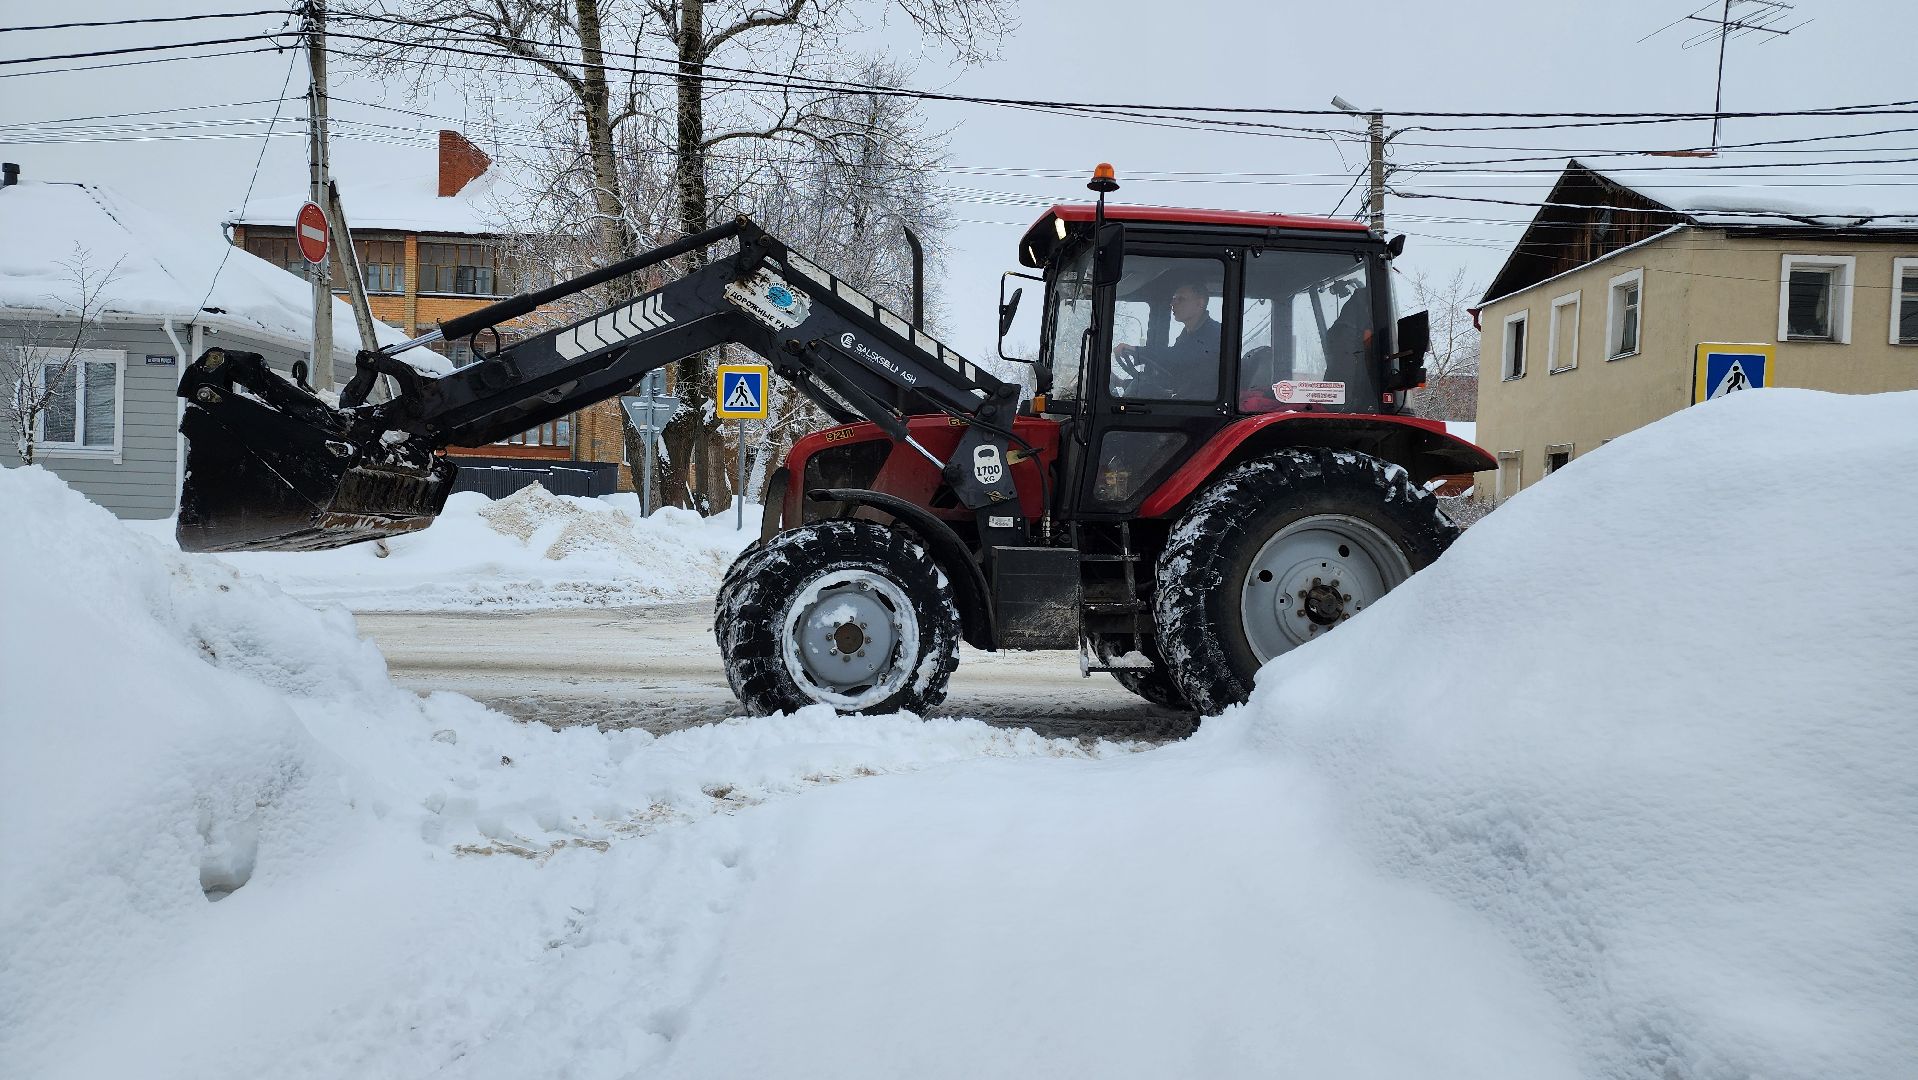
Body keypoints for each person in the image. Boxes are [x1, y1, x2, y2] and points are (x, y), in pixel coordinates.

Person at [1113, 279, 1220, 400]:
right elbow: (1171, 374)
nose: (1173, 303)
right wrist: (1121, 383)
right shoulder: (1187, 335)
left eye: (1181, 299)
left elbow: (1178, 357)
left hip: (1202, 404)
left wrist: (1137, 351)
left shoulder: (1214, 334)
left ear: (1200, 303)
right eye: (1174, 298)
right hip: (1188, 398)